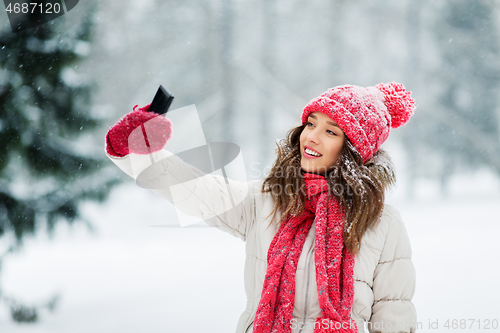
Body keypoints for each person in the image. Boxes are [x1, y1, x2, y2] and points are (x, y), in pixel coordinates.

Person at [105, 82, 417, 333]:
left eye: (330, 131)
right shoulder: (268, 201)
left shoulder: (383, 223)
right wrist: (137, 151)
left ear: (353, 150)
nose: (312, 137)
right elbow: (194, 189)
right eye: (311, 123)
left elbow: (394, 317)